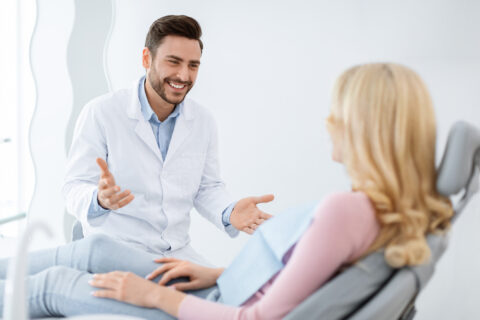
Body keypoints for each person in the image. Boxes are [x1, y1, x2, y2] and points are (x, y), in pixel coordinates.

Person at [0, 63, 453, 319]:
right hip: (220, 288)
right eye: (173, 63)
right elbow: (299, 274)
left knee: (56, 286)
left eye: (337, 113)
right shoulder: (387, 213)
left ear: (363, 129)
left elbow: (258, 319)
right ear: (147, 60)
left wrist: (156, 296)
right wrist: (218, 273)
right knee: (94, 248)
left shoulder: (345, 212)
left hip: (214, 310)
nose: (327, 122)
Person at [63, 15, 273, 265]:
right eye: (174, 62)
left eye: (193, 65)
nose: (183, 75)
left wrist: (230, 211)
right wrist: (99, 199)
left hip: (176, 254)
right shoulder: (102, 113)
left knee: (227, 293)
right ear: (146, 59)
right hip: (115, 251)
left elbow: (207, 188)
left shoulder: (203, 121)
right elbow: (74, 186)